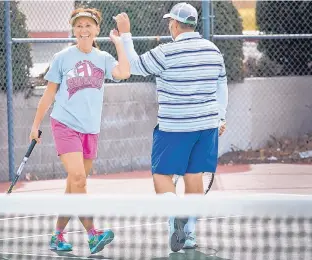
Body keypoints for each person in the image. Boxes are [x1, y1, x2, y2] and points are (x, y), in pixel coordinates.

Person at [113, 2, 228, 252]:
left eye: (170, 23)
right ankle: (189, 235)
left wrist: (125, 33)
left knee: (161, 177)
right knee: (194, 176)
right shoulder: (214, 51)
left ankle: (176, 212)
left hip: (174, 127)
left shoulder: (165, 52)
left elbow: (132, 66)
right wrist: (221, 118)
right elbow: (221, 87)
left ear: (175, 25)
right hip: (207, 125)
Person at [29, 7, 130, 254]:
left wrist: (118, 43)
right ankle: (93, 234)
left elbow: (124, 72)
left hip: (90, 130)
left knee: (74, 186)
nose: (83, 30)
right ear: (73, 29)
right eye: (79, 26)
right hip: (64, 124)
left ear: (96, 30)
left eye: (88, 26)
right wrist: (34, 125)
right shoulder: (62, 57)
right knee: (78, 179)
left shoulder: (104, 59)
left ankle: (57, 235)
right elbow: (49, 94)